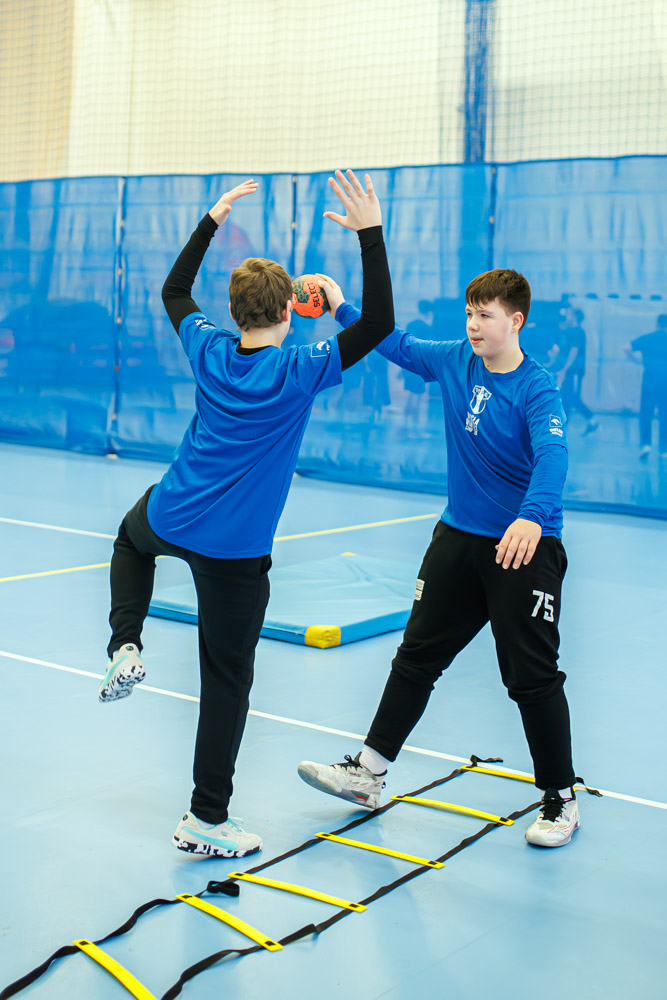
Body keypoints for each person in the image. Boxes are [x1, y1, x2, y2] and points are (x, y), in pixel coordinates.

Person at [99, 170, 394, 858]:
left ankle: (125, 646)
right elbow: (378, 325)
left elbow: (174, 291)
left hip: (173, 512)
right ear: (290, 310)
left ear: (233, 312)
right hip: (234, 551)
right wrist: (365, 241)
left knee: (130, 542)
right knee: (225, 682)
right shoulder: (299, 369)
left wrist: (212, 218)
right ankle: (205, 819)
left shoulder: (206, 345)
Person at [298, 268, 581, 848]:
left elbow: (553, 454)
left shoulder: (536, 387)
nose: (474, 325)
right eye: (470, 313)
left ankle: (561, 798)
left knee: (531, 679)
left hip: (523, 546)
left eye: (486, 316)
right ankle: (368, 775)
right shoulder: (455, 359)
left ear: (516, 321)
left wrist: (531, 516)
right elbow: (395, 343)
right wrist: (343, 308)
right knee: (416, 657)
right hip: (458, 537)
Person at [624, 314, 667, 462]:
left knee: (646, 413)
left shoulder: (648, 338)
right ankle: (664, 449)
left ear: (657, 324)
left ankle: (645, 445)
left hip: (649, 380)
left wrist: (636, 360)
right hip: (665, 382)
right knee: (664, 415)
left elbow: (627, 347)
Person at [551, 306, 598, 434]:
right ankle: (592, 421)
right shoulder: (568, 331)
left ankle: (565, 427)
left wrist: (564, 369)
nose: (567, 316)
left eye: (569, 314)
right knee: (569, 397)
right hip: (566, 371)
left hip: (574, 371)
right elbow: (563, 351)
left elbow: (573, 353)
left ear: (575, 317)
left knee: (571, 398)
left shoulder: (578, 332)